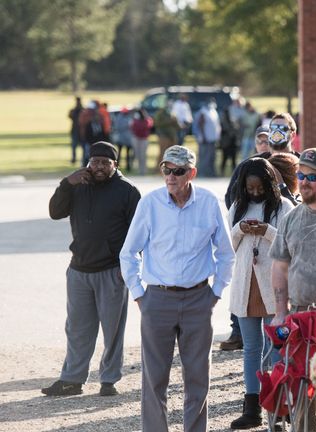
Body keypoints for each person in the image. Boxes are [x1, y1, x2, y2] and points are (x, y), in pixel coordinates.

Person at [119, 145, 235, 432]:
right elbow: (128, 253)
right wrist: (139, 294)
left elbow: (226, 253)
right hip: (156, 299)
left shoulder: (209, 203)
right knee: (154, 378)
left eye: (178, 171)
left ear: (191, 173)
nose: (170, 176)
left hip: (199, 298)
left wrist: (216, 293)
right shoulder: (150, 204)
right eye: (166, 170)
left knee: (198, 377)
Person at [43, 142, 140, 398]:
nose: (98, 167)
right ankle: (72, 380)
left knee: (112, 330)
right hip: (78, 270)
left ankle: (109, 380)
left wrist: (127, 268)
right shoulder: (77, 185)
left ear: (115, 165)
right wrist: (67, 183)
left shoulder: (128, 191)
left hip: (112, 271)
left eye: (104, 163)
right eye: (94, 162)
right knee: (77, 329)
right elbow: (55, 212)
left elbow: (139, 234)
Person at [269, 148, 316, 431]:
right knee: (304, 392)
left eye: (313, 176)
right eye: (301, 175)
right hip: (301, 317)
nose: (305, 181)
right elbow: (280, 267)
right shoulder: (292, 217)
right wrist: (280, 312)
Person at [227, 158, 294, 429]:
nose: (255, 193)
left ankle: (279, 406)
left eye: (259, 188)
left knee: (277, 348)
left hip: (273, 287)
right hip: (246, 285)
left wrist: (266, 231)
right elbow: (229, 243)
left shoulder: (284, 207)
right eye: (250, 188)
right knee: (251, 348)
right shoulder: (237, 207)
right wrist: (240, 229)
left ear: (269, 184)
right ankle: (252, 406)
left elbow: (289, 243)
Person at [194, 100, 221, 178]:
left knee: (212, 157)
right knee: (204, 157)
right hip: (205, 139)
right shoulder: (203, 112)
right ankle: (202, 173)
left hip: (212, 139)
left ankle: (210, 173)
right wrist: (203, 137)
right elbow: (200, 125)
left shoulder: (213, 111)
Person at [153, 102, 180, 167]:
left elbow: (177, 126)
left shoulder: (172, 113)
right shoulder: (160, 113)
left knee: (172, 153)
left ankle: (170, 168)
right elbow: (156, 124)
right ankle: (158, 169)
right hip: (163, 136)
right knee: (163, 153)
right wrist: (169, 121)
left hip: (172, 136)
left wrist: (179, 124)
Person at [130, 109, 153, 176]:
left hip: (143, 139)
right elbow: (132, 127)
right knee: (138, 155)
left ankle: (144, 170)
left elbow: (149, 125)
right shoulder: (135, 120)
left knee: (143, 155)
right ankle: (140, 170)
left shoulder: (147, 120)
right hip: (137, 138)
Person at [219, 109, 240, 176]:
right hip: (226, 144)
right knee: (224, 159)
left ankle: (235, 174)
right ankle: (222, 173)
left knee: (233, 160)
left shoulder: (232, 122)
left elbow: (236, 131)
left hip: (232, 144)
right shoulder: (223, 123)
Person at [112, 107, 133, 172]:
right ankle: (117, 166)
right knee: (119, 153)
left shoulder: (129, 117)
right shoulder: (119, 118)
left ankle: (128, 167)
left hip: (128, 139)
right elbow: (117, 127)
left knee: (128, 154)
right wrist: (126, 126)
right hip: (121, 139)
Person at [68, 97, 83, 164]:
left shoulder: (82, 110)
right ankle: (74, 158)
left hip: (81, 131)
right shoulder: (75, 110)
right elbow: (70, 116)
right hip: (75, 131)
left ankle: (81, 159)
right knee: (74, 146)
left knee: (82, 146)